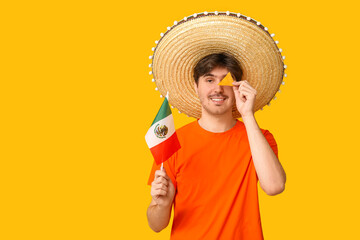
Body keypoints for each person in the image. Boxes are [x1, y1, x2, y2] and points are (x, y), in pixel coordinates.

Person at [146, 12, 287, 239]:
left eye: (227, 80)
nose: (218, 88)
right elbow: (156, 225)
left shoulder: (259, 137)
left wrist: (248, 115)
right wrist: (160, 204)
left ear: (239, 87)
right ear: (196, 87)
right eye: (210, 80)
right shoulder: (173, 142)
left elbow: (274, 187)